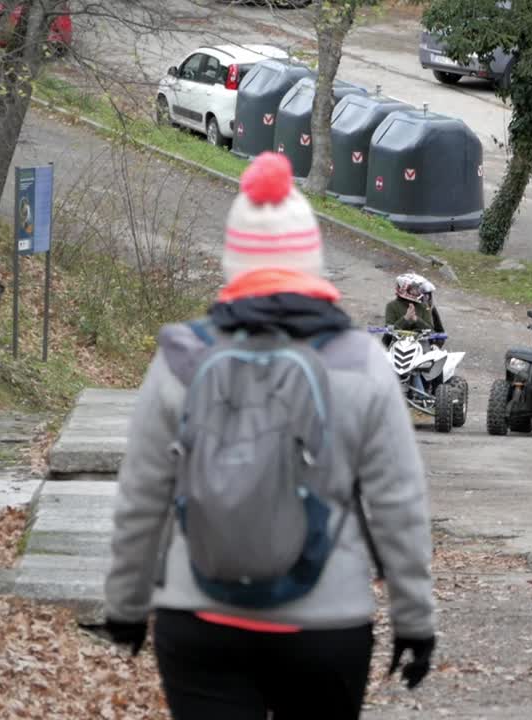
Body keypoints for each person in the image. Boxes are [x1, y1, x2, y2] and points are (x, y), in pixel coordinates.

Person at [93, 153, 437, 718]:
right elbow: (398, 506)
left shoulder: (180, 359)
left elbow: (141, 498)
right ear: (312, 260)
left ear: (233, 260)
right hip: (326, 626)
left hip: (199, 621)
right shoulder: (362, 365)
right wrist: (414, 620)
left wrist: (126, 606)